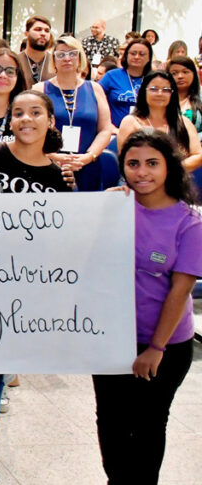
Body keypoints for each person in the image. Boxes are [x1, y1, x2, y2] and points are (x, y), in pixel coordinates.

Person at [94, 131, 199, 485]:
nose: (141, 172)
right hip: (112, 338)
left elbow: (180, 291)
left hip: (164, 345)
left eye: (152, 163)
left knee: (149, 423)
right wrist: (102, 209)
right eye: (133, 163)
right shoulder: (114, 208)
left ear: (169, 167)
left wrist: (155, 348)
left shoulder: (189, 223)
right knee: (110, 421)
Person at [32, 36, 116, 190]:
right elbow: (31, 130)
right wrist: (52, 156)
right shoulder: (39, 89)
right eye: (61, 54)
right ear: (53, 60)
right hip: (49, 165)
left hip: (88, 166)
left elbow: (105, 129)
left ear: (80, 58)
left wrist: (88, 157)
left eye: (72, 53)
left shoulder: (95, 89)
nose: (67, 58)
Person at [117, 71, 202, 171]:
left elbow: (198, 155)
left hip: (177, 177)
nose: (160, 94)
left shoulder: (184, 122)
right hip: (141, 177)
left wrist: (170, 170)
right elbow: (126, 161)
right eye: (154, 89)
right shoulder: (130, 122)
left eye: (166, 90)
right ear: (144, 92)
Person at [0, 90, 72, 193]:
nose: (26, 118)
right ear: (10, 123)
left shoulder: (60, 178)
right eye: (18, 114)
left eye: (35, 113)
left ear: (51, 121)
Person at [100, 38, 153, 128]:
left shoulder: (153, 79)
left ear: (149, 58)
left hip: (145, 131)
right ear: (126, 55)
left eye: (142, 54)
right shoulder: (112, 76)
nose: (137, 57)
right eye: (133, 53)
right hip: (114, 130)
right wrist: (108, 126)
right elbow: (96, 100)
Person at [16, 16, 55, 88]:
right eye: (38, 29)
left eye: (47, 31)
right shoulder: (15, 61)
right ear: (26, 34)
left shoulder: (55, 62)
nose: (43, 33)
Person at [167, 56, 202, 132]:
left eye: (185, 72)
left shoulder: (200, 97)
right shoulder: (161, 98)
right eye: (174, 73)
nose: (180, 76)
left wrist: (194, 137)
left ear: (194, 74)